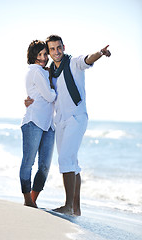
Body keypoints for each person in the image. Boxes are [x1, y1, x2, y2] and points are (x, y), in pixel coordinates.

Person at [25, 35, 111, 215]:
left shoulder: (73, 63)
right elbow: (43, 94)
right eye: (52, 49)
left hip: (76, 117)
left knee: (64, 160)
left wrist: (100, 53)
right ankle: (76, 209)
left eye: (58, 48)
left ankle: (68, 206)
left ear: (63, 47)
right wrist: (28, 101)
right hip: (60, 120)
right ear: (48, 52)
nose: (56, 52)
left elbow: (88, 59)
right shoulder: (50, 73)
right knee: (72, 162)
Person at [20, 40, 56, 208]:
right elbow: (50, 97)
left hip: (48, 124)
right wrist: (53, 88)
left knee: (44, 167)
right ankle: (27, 200)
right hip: (33, 122)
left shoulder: (43, 71)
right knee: (28, 162)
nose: (43, 58)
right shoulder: (36, 71)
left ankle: (33, 201)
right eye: (39, 54)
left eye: (44, 54)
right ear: (33, 56)